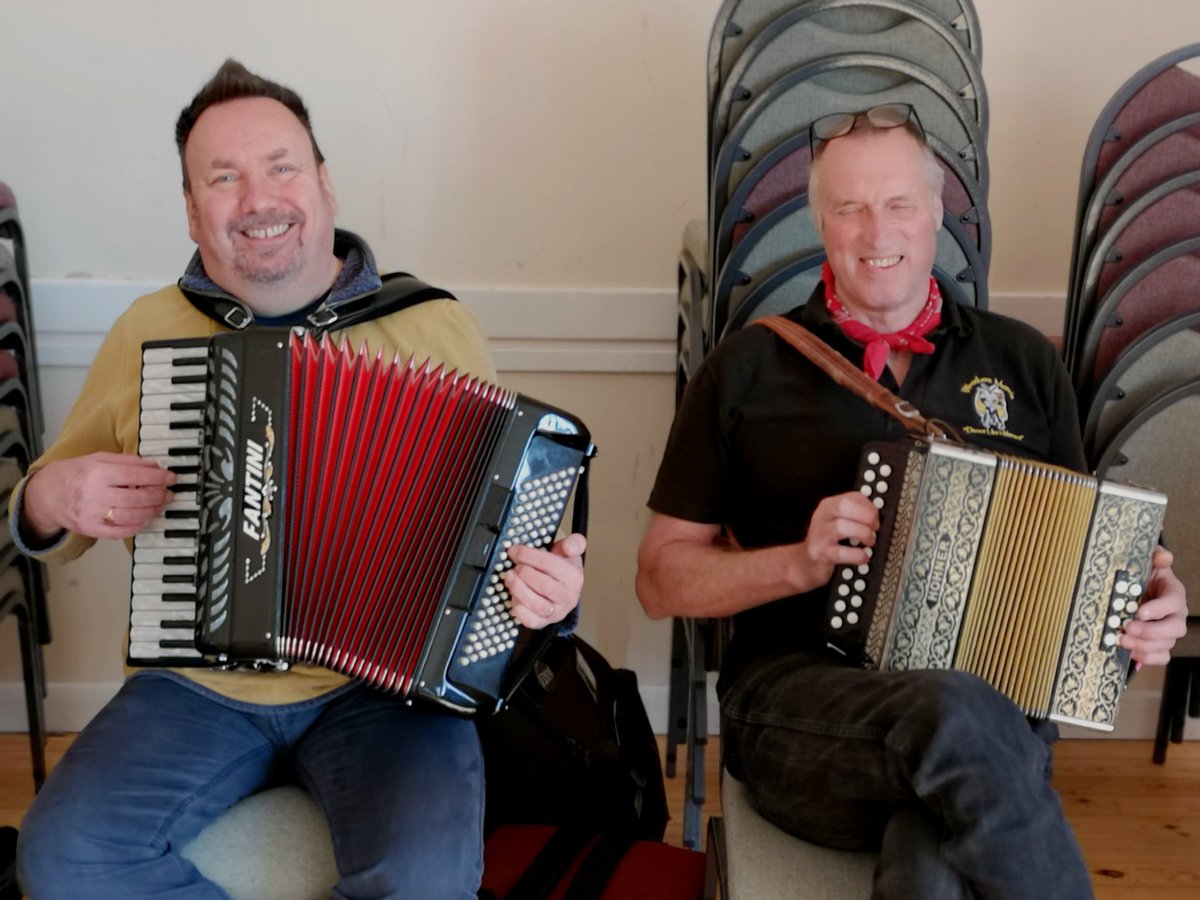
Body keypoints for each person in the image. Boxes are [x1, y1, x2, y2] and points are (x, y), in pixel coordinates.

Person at [13, 59, 587, 900]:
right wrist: (50, 497)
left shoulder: (432, 326)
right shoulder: (149, 330)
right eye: (223, 178)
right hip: (195, 684)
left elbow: (501, 542)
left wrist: (549, 591)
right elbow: (43, 517)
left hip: (385, 691)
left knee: (424, 880)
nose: (259, 199)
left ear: (324, 183)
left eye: (281, 166)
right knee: (64, 860)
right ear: (191, 209)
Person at [636, 105, 1189, 899]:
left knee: (931, 862)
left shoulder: (1023, 362)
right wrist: (800, 562)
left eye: (897, 203)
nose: (875, 230)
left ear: (939, 215)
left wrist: (1148, 600)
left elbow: (1088, 548)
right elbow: (660, 580)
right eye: (850, 208)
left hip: (988, 726)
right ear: (820, 225)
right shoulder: (746, 368)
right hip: (800, 713)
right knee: (957, 717)